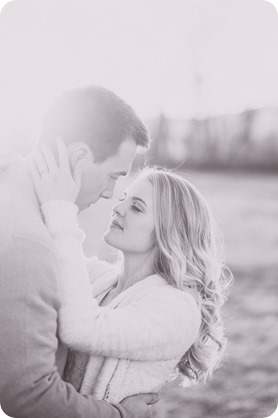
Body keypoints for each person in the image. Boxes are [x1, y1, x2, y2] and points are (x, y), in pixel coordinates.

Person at [29, 140, 231, 404]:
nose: (117, 207)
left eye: (136, 207)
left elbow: (79, 328)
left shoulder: (177, 310)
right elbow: (53, 253)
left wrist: (62, 210)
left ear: (168, 232)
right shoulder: (100, 277)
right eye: (124, 198)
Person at [0, 86, 160, 418]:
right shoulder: (28, 243)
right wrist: (122, 415)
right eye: (112, 176)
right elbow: (29, 395)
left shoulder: (10, 183)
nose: (109, 194)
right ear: (79, 157)